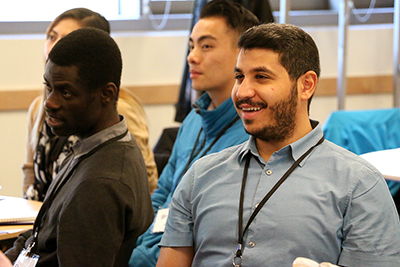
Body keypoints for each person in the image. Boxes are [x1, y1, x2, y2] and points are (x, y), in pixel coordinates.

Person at [157, 23, 400, 267]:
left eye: (261, 77)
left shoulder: (359, 185)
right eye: (239, 77)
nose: (243, 91)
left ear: (306, 85)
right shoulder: (201, 175)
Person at [5, 27, 154, 266]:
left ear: (107, 94)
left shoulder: (101, 183)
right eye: (49, 87)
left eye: (66, 92)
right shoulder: (92, 147)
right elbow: (39, 235)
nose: (50, 102)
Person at [128, 1, 259, 266]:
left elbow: (212, 231)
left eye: (206, 46)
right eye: (191, 45)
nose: (192, 56)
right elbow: (163, 191)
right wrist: (134, 246)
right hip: (148, 251)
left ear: (241, 54)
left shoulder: (251, 135)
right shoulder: (194, 119)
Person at [23, 8, 158, 201]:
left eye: (68, 41)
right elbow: (30, 174)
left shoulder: (117, 111)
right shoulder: (40, 107)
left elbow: (144, 181)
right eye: (52, 37)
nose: (54, 49)